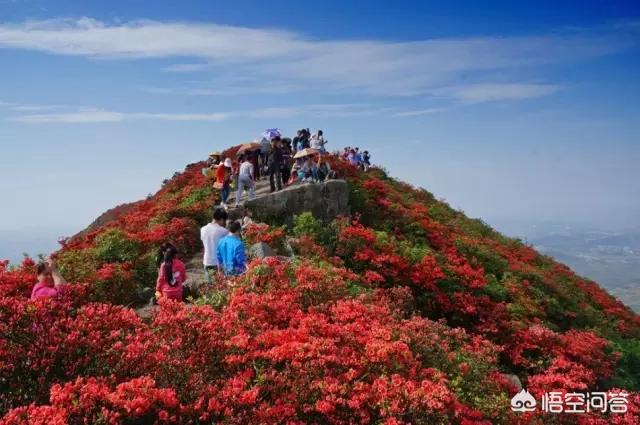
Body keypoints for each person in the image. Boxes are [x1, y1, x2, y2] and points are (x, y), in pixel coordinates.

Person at [200, 208, 229, 284]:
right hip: (218, 263)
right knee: (219, 286)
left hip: (207, 261)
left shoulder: (202, 229)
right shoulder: (223, 231)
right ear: (222, 219)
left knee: (209, 286)